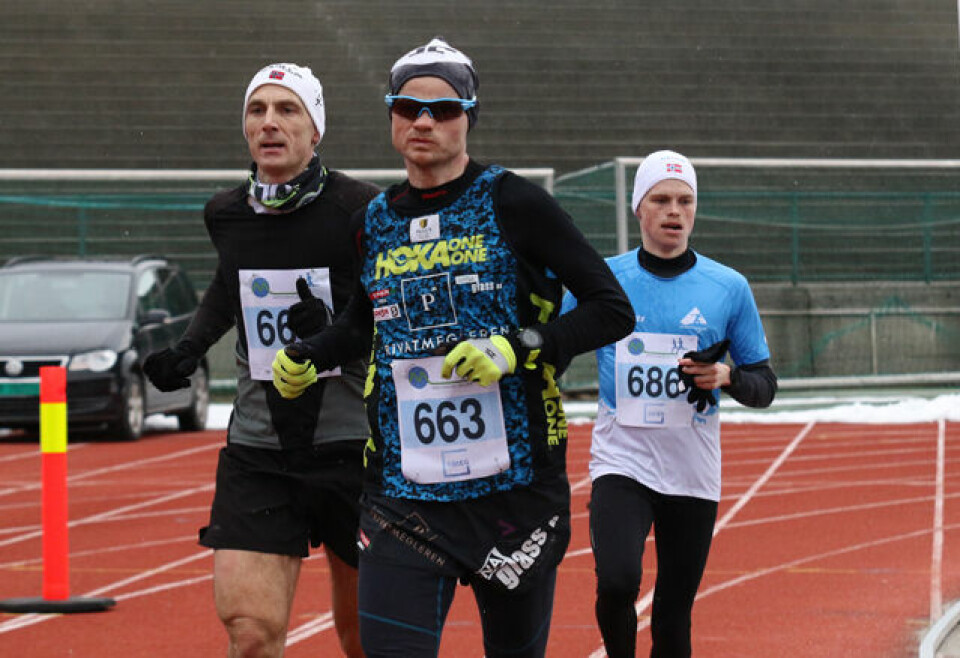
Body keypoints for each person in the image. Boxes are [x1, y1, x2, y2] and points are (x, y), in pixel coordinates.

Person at [270, 37, 633, 658]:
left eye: (443, 109)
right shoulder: (374, 220)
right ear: (391, 115)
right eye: (409, 107)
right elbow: (365, 322)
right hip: (403, 498)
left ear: (469, 117)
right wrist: (311, 352)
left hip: (511, 495)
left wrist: (519, 347)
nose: (424, 121)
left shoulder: (513, 202)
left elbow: (611, 308)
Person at [142, 63, 378, 658]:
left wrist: (330, 335)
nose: (269, 122)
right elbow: (231, 283)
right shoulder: (226, 214)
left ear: (316, 128)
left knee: (368, 639)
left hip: (353, 445)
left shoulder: (362, 210)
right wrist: (189, 349)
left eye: (287, 109)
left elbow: (385, 308)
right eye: (257, 110)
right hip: (259, 447)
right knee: (250, 635)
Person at [562, 150, 778, 657]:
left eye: (685, 200)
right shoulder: (603, 280)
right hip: (623, 459)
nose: (673, 211)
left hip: (692, 468)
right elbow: (556, 343)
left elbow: (764, 384)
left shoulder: (728, 287)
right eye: (660, 199)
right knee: (616, 580)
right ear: (639, 208)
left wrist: (725, 376)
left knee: (674, 610)